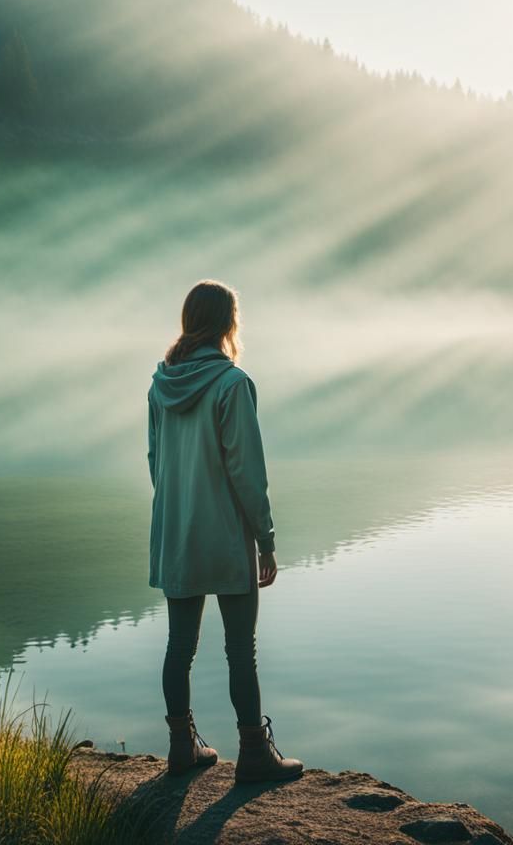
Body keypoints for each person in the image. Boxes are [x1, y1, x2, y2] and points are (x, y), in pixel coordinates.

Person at [147, 278, 304, 782]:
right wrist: (267, 538)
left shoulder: (159, 385)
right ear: (227, 323)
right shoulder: (233, 384)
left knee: (179, 647)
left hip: (177, 534)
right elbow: (247, 473)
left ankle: (180, 748)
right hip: (226, 535)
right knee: (241, 650)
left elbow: (157, 463)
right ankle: (254, 755)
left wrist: (178, 508)